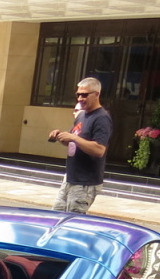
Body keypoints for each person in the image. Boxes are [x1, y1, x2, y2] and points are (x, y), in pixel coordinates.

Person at [48, 76, 112, 213]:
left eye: (84, 95)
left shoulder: (102, 118)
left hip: (85, 182)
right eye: (78, 94)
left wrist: (73, 138)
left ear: (97, 94)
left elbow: (99, 149)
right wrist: (60, 136)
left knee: (72, 221)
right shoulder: (82, 116)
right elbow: (73, 140)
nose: (80, 98)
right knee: (55, 216)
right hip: (71, 177)